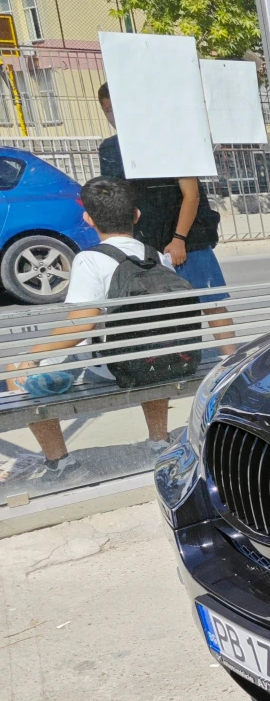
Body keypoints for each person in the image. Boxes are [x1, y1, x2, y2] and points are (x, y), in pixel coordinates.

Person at [4, 177, 179, 483]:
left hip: (116, 368)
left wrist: (31, 357)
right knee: (149, 346)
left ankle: (60, 465)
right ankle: (159, 441)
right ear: (136, 215)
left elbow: (81, 324)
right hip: (164, 361)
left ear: (88, 218)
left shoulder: (90, 260)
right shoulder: (158, 257)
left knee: (17, 371)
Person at [97, 82, 233, 352]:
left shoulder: (171, 139)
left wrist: (179, 239)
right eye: (108, 111)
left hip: (188, 238)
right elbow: (115, 198)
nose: (114, 117)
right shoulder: (111, 149)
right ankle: (170, 366)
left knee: (211, 301)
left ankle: (232, 361)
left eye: (119, 109)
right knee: (158, 312)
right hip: (145, 243)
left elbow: (191, 195)